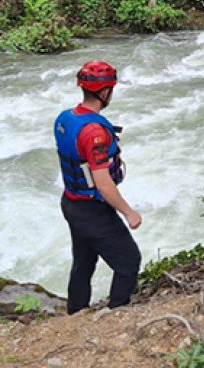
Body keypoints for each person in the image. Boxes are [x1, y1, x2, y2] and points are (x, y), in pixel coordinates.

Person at [55, 60, 142, 314]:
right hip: (92, 210)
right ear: (105, 93)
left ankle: (75, 312)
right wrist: (128, 212)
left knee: (83, 262)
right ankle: (116, 313)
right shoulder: (94, 132)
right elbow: (102, 182)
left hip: (71, 202)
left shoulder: (65, 118)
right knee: (128, 262)